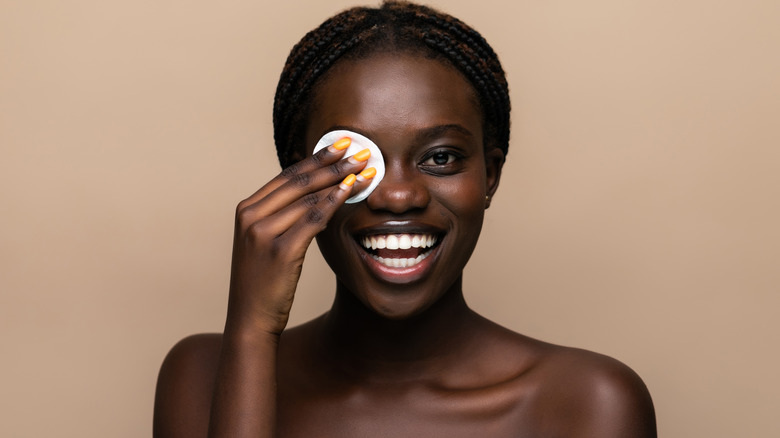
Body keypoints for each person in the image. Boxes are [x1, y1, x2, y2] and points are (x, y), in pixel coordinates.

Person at [153, 2, 657, 437]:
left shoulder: (588, 402)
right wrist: (253, 332)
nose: (397, 196)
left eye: (440, 158)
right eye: (352, 161)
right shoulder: (204, 376)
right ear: (296, 181)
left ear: (491, 177)